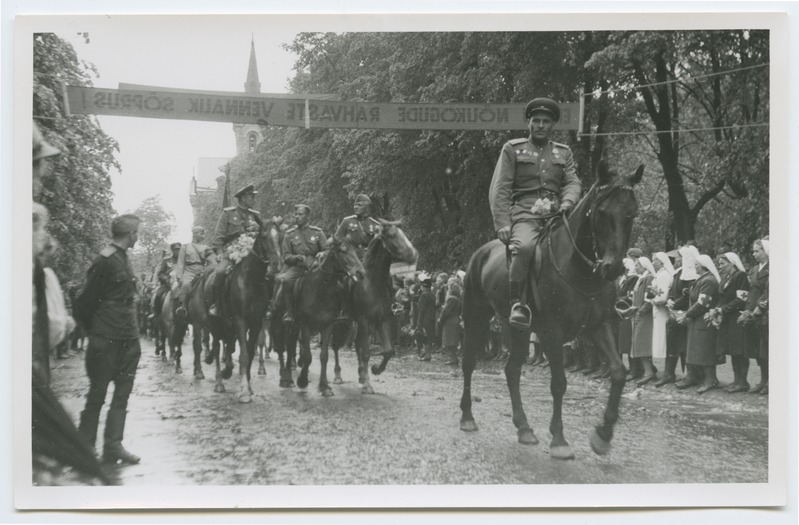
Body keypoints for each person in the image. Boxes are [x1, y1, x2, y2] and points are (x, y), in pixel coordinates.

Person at [488, 97, 581, 329]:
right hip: (525, 214)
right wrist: (502, 223)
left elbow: (572, 182)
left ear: (552, 125)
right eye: (536, 120)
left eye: (545, 121)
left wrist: (568, 202)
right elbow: (501, 187)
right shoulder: (513, 149)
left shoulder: (564, 153)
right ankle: (518, 303)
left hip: (557, 215)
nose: (540, 125)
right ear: (528, 123)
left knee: (582, 245)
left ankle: (593, 302)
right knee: (526, 248)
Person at [74, 214, 143, 464]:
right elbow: (85, 300)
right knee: (98, 393)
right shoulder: (105, 261)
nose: (138, 237)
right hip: (106, 336)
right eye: (137, 233)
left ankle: (113, 446)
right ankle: (84, 449)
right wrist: (96, 330)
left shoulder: (123, 258)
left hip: (128, 335)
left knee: (122, 394)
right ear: (130, 235)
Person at [209, 184, 262, 316]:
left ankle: (268, 306)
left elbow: (264, 236)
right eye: (251, 196)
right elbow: (218, 237)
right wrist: (220, 253)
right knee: (220, 272)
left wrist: (259, 228)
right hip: (232, 251)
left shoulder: (256, 216)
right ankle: (217, 304)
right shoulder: (228, 213)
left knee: (269, 274)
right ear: (243, 198)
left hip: (253, 253)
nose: (253, 199)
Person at [271, 204, 327, 323]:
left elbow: (327, 249)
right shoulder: (289, 234)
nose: (297, 217)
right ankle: (289, 312)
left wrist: (322, 254)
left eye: (300, 214)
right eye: (296, 214)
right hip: (298, 267)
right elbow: (286, 256)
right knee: (286, 280)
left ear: (307, 216)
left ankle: (335, 311)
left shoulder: (317, 232)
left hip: (316, 267)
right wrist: (297, 258)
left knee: (335, 281)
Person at [677, 254, 721, 393]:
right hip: (697, 321)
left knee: (705, 351)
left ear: (703, 266)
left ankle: (710, 380)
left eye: (696, 264)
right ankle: (693, 377)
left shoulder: (708, 281)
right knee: (695, 350)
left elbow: (703, 303)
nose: (694, 266)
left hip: (704, 321)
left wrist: (687, 314)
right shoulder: (701, 279)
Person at [713, 252, 750, 393]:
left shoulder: (740, 276)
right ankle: (736, 380)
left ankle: (743, 382)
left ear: (732, 263)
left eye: (722, 263)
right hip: (727, 318)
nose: (720, 266)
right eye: (719, 264)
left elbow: (741, 299)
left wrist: (723, 310)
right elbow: (722, 297)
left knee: (738, 350)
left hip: (736, 318)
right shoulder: (725, 278)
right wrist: (717, 309)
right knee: (733, 350)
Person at [739, 238, 769, 395]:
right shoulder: (755, 268)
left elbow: (767, 292)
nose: (754, 254)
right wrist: (747, 310)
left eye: (758, 251)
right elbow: (751, 292)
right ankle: (763, 380)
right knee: (758, 351)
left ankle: (769, 381)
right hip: (752, 311)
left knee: (766, 349)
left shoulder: (772, 269)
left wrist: (758, 308)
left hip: (763, 312)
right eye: (754, 251)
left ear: (766, 251)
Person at [629, 257, 657, 385]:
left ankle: (648, 372)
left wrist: (640, 311)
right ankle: (648, 370)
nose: (635, 268)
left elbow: (649, 298)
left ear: (644, 266)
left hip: (644, 316)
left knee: (642, 342)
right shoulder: (641, 278)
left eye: (637, 265)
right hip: (638, 314)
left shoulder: (648, 278)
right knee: (638, 342)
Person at [175, 226, 214, 317]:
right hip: (190, 272)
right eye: (201, 233)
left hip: (203, 271)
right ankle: (183, 307)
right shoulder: (185, 247)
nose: (203, 236)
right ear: (195, 233)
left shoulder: (206, 247)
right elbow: (181, 263)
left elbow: (211, 260)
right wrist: (179, 277)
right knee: (186, 285)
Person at [334, 194, 381, 260]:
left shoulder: (375, 225)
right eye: (355, 205)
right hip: (351, 260)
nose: (355, 207)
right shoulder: (347, 221)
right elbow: (336, 240)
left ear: (367, 208)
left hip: (369, 260)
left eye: (359, 205)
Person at [651, 252, 675, 363]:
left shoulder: (663, 275)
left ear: (660, 261)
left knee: (663, 341)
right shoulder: (660, 274)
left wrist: (653, 300)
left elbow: (662, 298)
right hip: (658, 312)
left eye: (654, 260)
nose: (652, 262)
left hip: (662, 312)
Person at [437, 281, 462, 366]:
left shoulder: (451, 299)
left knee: (450, 341)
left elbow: (446, 311)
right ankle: (453, 358)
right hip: (455, 320)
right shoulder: (457, 299)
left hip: (450, 322)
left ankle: (453, 359)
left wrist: (440, 319)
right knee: (453, 341)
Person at [416, 276, 436, 361]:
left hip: (425, 319)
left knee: (425, 337)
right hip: (432, 318)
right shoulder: (432, 295)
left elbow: (422, 310)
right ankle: (428, 354)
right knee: (429, 336)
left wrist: (419, 321)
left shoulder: (424, 295)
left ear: (423, 286)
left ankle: (427, 355)